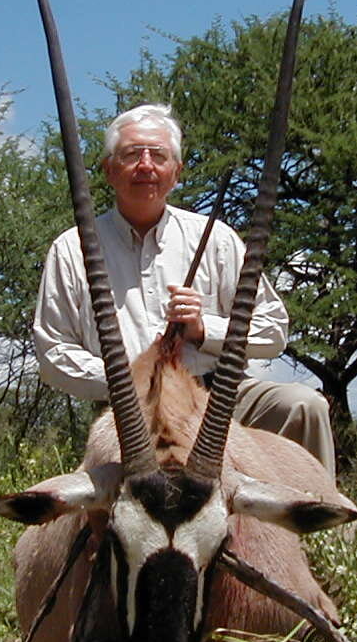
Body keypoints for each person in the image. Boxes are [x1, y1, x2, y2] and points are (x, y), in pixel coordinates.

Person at [33, 103, 335, 476]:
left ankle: (321, 527)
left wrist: (204, 329)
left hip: (219, 396)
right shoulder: (72, 248)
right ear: (109, 170)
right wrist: (132, 379)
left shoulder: (217, 239)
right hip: (129, 410)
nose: (146, 165)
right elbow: (53, 355)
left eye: (158, 155)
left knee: (304, 406)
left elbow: (273, 331)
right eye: (131, 154)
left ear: (176, 172)